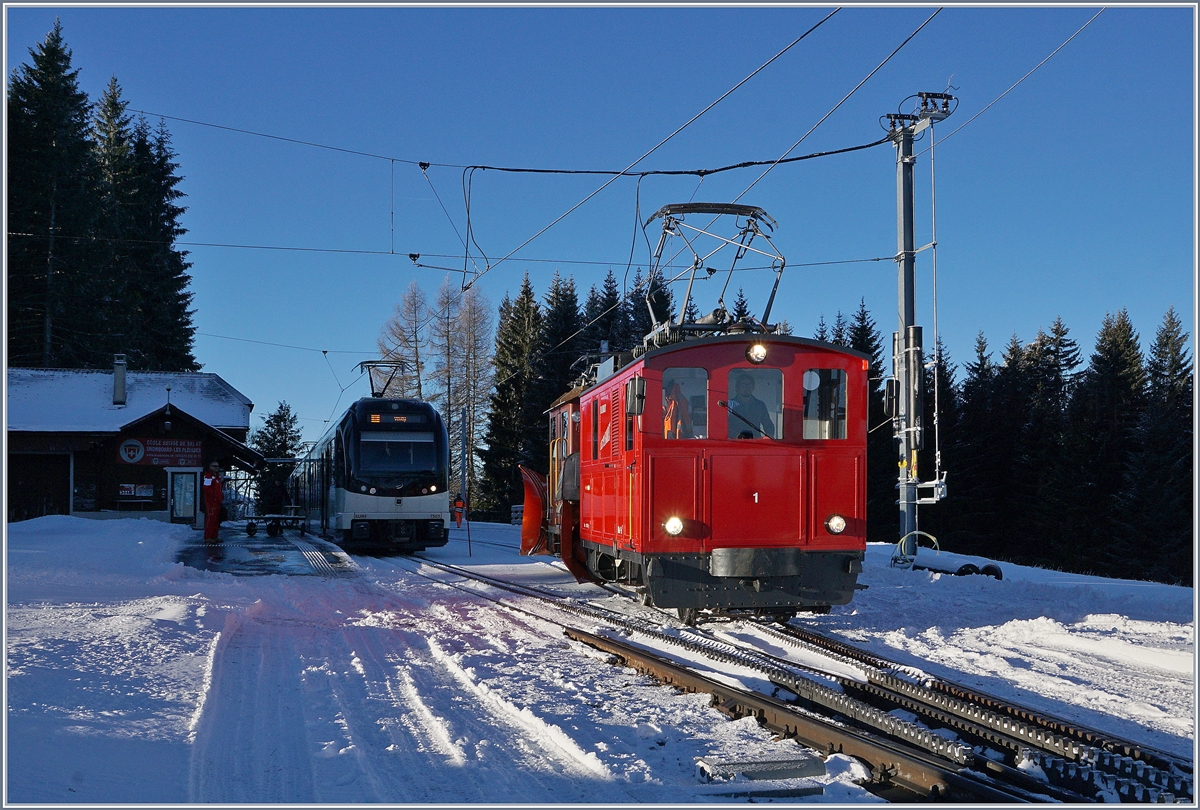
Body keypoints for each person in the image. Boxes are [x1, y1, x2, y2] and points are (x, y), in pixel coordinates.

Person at [727, 374, 775, 438]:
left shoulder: (760, 405)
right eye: (743, 385)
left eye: (749, 385)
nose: (746, 388)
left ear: (753, 387)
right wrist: (736, 435)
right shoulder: (728, 404)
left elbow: (767, 423)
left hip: (756, 443)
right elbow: (724, 425)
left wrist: (769, 435)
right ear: (737, 387)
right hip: (734, 443)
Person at [202, 460, 224, 542]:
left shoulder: (217, 477)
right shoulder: (208, 476)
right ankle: (208, 537)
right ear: (210, 467)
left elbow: (218, 489)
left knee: (216, 520)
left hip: (217, 501)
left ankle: (214, 536)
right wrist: (214, 495)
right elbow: (206, 488)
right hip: (211, 501)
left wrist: (221, 496)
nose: (216, 468)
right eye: (215, 466)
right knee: (211, 519)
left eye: (217, 466)